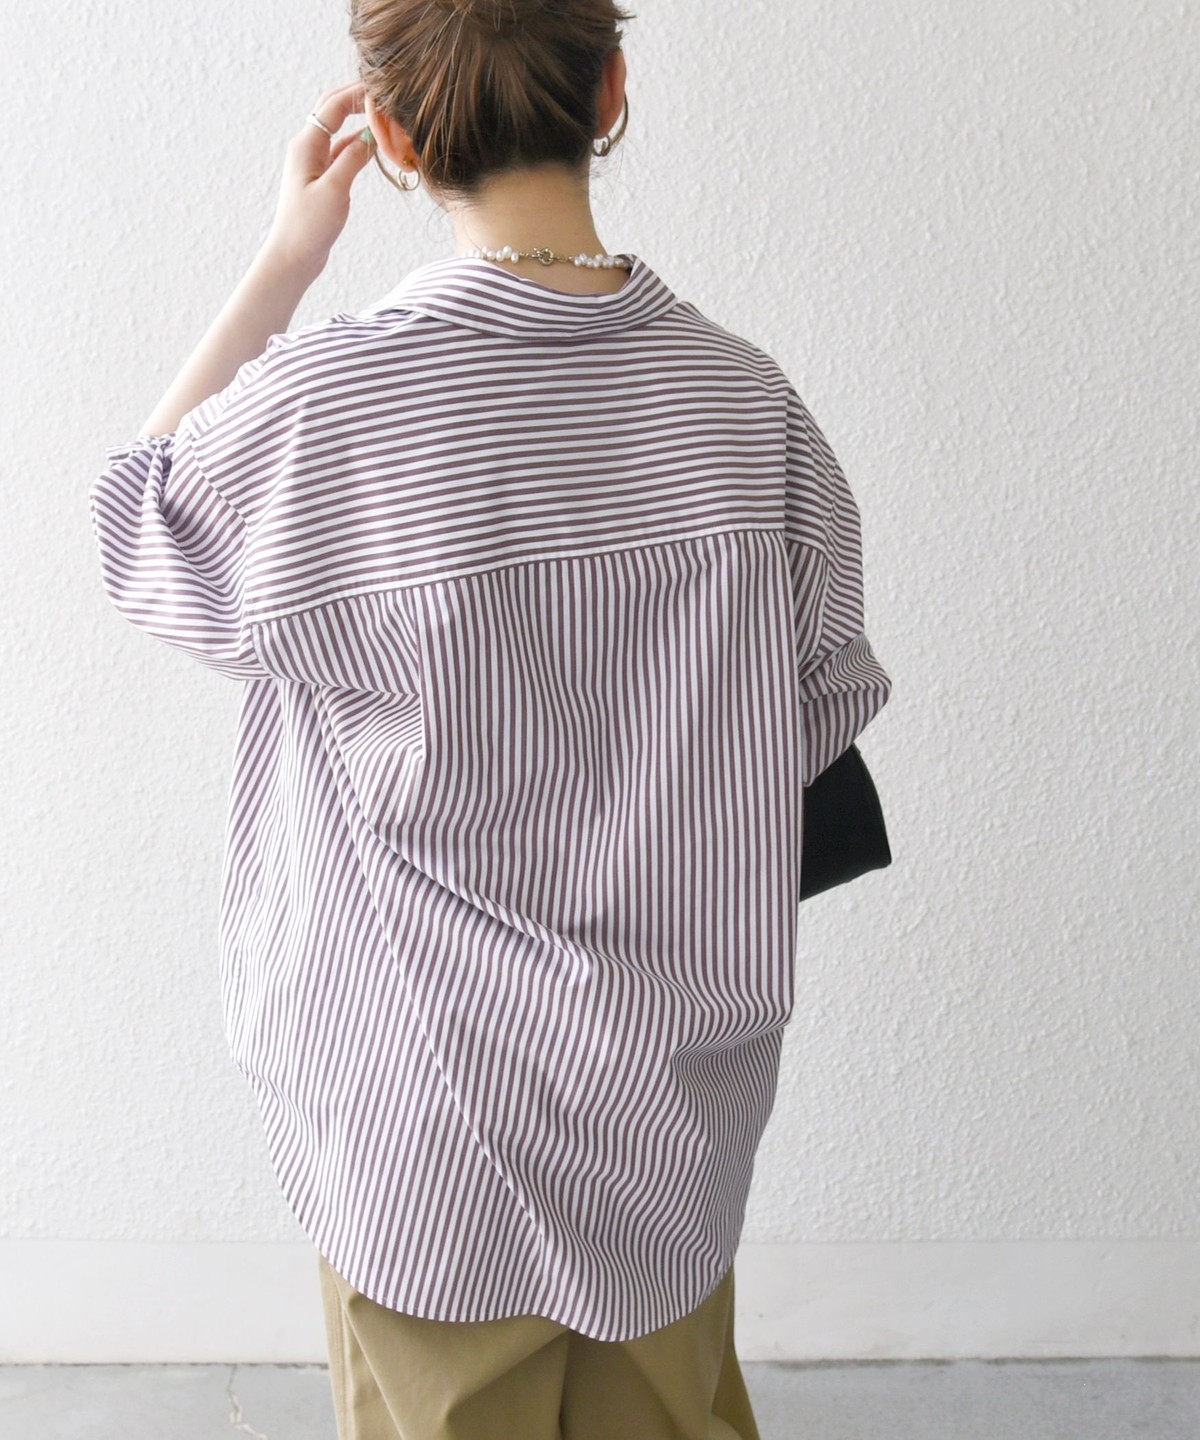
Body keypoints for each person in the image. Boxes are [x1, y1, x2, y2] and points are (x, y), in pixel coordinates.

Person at [89, 1, 891, 1435]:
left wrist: (287, 258)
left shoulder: (335, 403)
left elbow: (137, 527)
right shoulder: (743, 401)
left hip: (423, 1102)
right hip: (669, 1097)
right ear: (612, 88)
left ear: (394, 137)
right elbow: (822, 701)